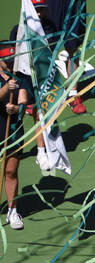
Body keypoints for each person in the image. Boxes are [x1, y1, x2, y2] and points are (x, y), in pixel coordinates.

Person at [0, 39, 30, 230]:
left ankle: (13, 211)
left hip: (12, 130)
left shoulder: (20, 75)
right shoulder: (7, 81)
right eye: (6, 60)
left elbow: (24, 99)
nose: (10, 62)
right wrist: (5, 89)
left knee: (11, 171)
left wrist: (16, 109)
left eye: (13, 59)